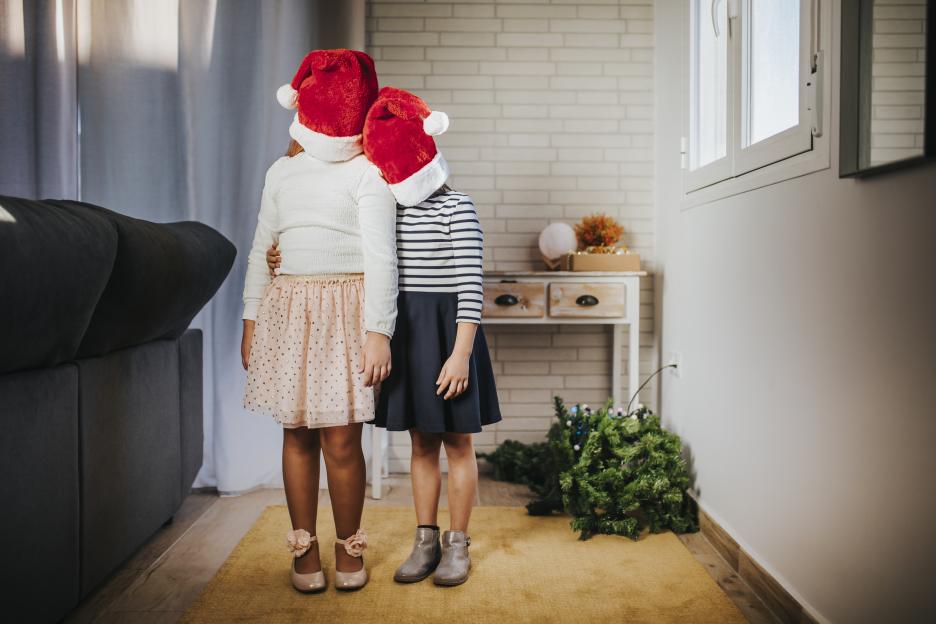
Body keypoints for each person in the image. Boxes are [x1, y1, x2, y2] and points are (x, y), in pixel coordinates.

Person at [267, 87, 501, 587]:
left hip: (450, 337)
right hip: (410, 335)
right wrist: (283, 256)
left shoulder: (459, 208)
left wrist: (461, 355)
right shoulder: (390, 209)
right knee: (421, 445)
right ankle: (425, 540)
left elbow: (471, 287)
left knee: (458, 443)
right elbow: (356, 249)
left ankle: (458, 544)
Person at [242, 49, 397, 593]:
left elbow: (382, 257)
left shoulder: (369, 172)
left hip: (347, 315)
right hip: (290, 312)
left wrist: (379, 332)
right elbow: (264, 244)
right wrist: (251, 318)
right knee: (297, 433)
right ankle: (302, 544)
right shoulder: (282, 171)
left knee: (342, 440)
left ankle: (348, 543)